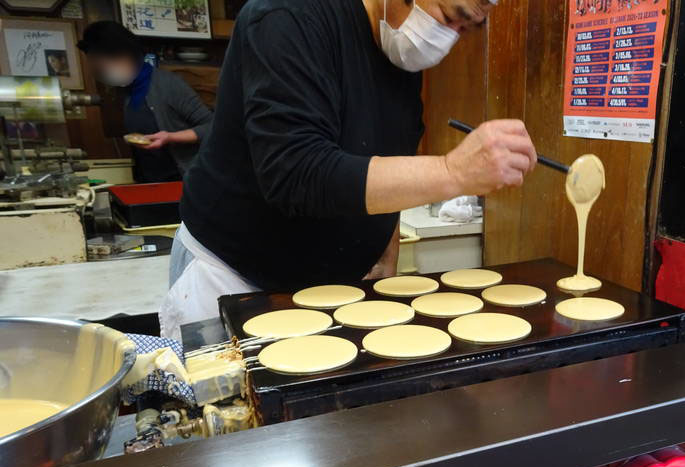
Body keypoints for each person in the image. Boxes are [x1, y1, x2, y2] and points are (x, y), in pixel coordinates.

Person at [159, 0, 538, 339]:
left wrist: (387, 250)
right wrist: (452, 172)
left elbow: (390, 154)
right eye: (451, 17)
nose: (449, 38)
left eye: (466, 29)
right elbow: (296, 173)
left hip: (330, 287)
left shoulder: (400, 50)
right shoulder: (288, 17)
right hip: (231, 276)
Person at [77, 21, 213, 183]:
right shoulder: (125, 90)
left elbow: (213, 126)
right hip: (149, 181)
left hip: (183, 182)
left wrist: (170, 137)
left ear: (127, 54)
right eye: (99, 67)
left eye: (107, 63)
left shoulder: (168, 84)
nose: (104, 71)